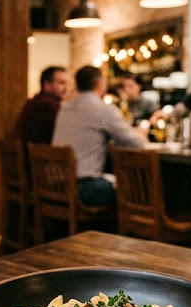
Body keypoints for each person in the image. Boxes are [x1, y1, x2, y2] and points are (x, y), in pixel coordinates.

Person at [51, 66, 146, 206]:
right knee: (134, 188)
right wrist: (141, 132)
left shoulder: (64, 109)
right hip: (82, 189)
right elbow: (136, 144)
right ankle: (131, 227)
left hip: (56, 185)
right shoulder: (103, 110)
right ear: (101, 84)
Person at [10, 66, 69, 144]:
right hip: (41, 154)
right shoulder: (49, 105)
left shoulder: (32, 102)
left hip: (27, 154)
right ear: (47, 85)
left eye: (66, 83)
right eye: (61, 83)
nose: (66, 88)